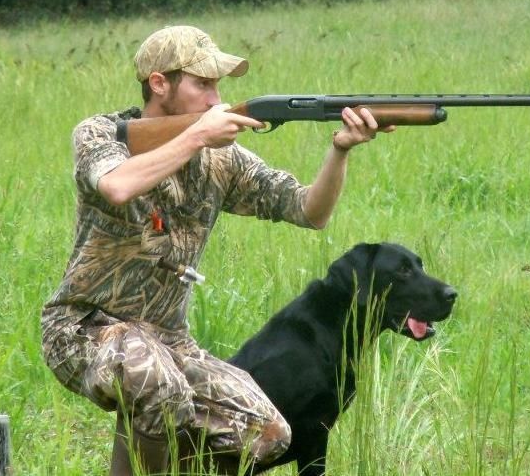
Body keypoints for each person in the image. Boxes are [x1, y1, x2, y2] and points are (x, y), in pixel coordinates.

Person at [41, 25, 393, 475]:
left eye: (218, 85)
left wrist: (340, 150)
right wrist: (197, 137)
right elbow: (117, 185)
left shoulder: (223, 159)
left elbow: (309, 210)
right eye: (202, 84)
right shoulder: (102, 133)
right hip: (83, 328)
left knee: (267, 433)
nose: (215, 98)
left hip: (169, 340)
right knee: (154, 380)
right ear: (159, 84)